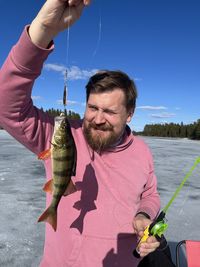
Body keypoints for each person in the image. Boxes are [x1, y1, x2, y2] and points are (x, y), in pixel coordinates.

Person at [0, 0, 161, 266]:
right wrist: (43, 29)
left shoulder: (142, 151)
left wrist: (144, 215)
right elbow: (7, 105)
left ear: (129, 114)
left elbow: (150, 194)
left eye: (109, 112)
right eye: (92, 108)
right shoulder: (60, 135)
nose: (98, 119)